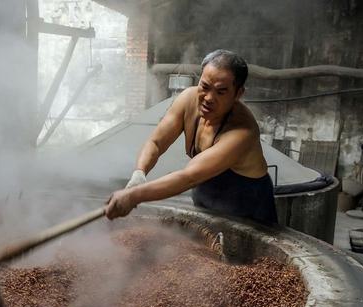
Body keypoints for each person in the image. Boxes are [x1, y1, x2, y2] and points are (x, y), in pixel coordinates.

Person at [105, 49, 278, 224]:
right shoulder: (188, 99)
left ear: (238, 93)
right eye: (205, 86)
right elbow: (156, 142)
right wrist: (139, 174)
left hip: (248, 210)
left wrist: (134, 196)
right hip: (206, 196)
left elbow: (189, 177)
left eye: (221, 91)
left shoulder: (242, 132)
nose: (209, 98)